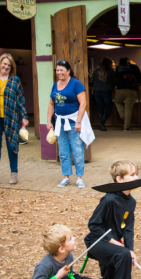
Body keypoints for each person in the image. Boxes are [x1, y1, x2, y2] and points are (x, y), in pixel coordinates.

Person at [84, 159, 141, 279]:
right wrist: (112, 241)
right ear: (120, 179)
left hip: (113, 246)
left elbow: (128, 229)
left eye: (137, 174)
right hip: (97, 242)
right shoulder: (109, 199)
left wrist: (131, 250)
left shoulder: (131, 202)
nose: (137, 178)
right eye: (132, 175)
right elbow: (94, 225)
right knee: (122, 254)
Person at [0, 53, 28, 186]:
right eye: (4, 64)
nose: (6, 66)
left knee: (12, 146)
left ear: (11, 67)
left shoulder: (15, 80)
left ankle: (14, 174)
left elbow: (21, 99)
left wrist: (24, 116)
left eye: (9, 65)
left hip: (11, 117)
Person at [47, 60, 94, 189]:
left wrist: (78, 121)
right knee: (63, 151)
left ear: (68, 71)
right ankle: (66, 177)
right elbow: (51, 104)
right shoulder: (55, 85)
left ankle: (79, 178)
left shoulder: (76, 84)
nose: (59, 72)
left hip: (74, 122)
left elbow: (83, 103)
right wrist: (48, 121)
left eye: (62, 70)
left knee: (77, 150)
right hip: (60, 122)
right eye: (57, 70)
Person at [114, 58, 141, 132]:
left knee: (117, 102)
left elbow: (115, 78)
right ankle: (126, 127)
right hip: (131, 90)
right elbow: (140, 78)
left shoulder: (118, 68)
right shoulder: (134, 67)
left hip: (120, 89)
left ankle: (123, 116)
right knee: (128, 109)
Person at [91, 57, 116, 131]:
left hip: (97, 92)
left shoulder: (96, 71)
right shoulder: (110, 70)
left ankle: (101, 123)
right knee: (109, 109)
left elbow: (91, 81)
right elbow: (115, 79)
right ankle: (102, 122)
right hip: (106, 91)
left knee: (100, 108)